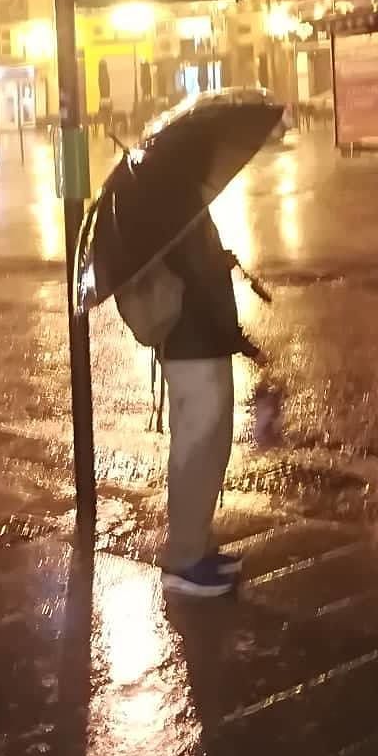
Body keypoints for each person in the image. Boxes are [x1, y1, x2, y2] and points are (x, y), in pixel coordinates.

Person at [158, 205, 261, 597]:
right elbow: (199, 286)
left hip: (195, 349)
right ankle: (184, 560)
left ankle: (197, 546)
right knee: (197, 455)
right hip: (196, 350)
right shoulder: (179, 216)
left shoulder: (184, 213)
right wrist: (238, 340)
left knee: (203, 452)